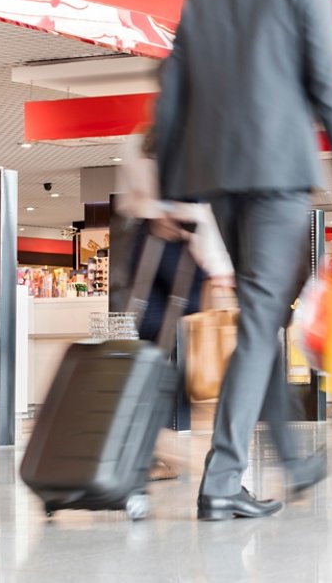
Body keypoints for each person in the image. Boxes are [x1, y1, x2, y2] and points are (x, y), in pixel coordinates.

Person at [155, 0, 332, 520]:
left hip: (220, 179)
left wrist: (174, 192)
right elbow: (328, 92)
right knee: (259, 321)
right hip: (279, 177)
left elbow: (172, 99)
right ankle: (223, 480)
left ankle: (291, 457)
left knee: (262, 318)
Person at [115, 126, 236, 481]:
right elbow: (127, 201)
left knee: (180, 350)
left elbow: (211, 208)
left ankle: (160, 440)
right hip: (150, 247)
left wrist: (219, 268)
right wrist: (158, 210)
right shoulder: (138, 142)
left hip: (189, 250)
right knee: (148, 342)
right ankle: (153, 444)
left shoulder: (202, 140)